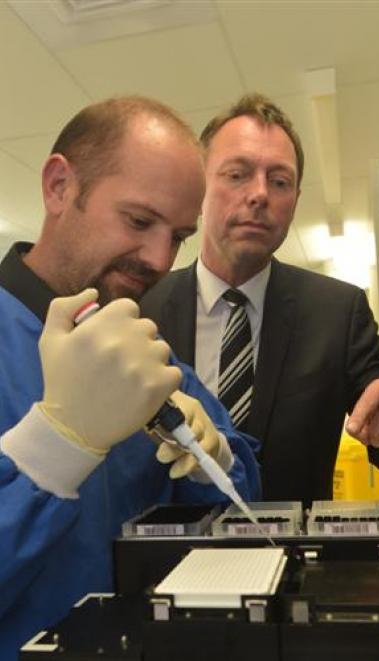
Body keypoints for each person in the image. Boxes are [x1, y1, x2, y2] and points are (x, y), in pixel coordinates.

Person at [0, 96, 260, 660]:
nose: (160, 258)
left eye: (179, 236)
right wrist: (53, 449)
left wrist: (215, 461)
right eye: (139, 221)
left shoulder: (156, 361)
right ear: (58, 186)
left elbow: (245, 505)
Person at [141, 93, 379, 505]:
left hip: (295, 560)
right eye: (237, 174)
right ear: (200, 185)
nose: (259, 195)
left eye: (280, 181)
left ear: (295, 201)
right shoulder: (140, 305)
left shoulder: (336, 311)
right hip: (165, 561)